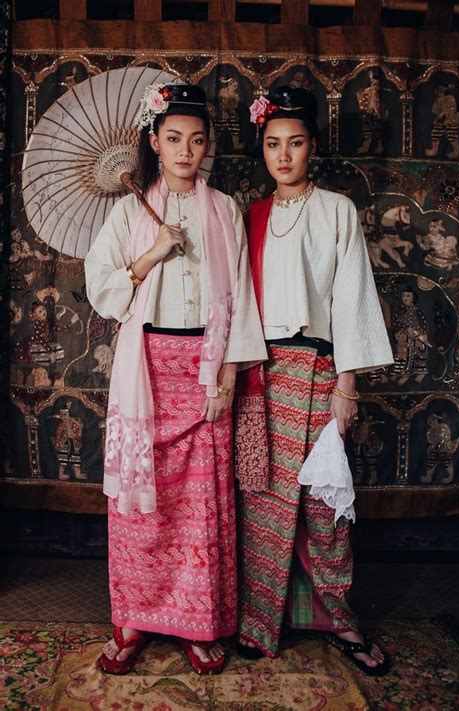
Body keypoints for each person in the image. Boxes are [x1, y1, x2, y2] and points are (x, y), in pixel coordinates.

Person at [85, 83, 266, 675]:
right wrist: (154, 251)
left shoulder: (225, 210)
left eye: (196, 139)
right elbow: (103, 289)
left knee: (200, 504)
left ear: (207, 145)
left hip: (205, 368)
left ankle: (199, 623)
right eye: (173, 139)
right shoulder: (129, 211)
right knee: (145, 504)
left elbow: (240, 297)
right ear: (153, 143)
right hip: (146, 372)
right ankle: (135, 619)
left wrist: (228, 379)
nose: (185, 150)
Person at [235, 86, 394, 676]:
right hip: (261, 371)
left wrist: (346, 386)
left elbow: (351, 298)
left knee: (325, 508)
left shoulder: (336, 210)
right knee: (265, 502)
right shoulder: (249, 215)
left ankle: (342, 621)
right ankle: (259, 622)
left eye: (295, 143)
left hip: (321, 368)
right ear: (263, 150)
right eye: (273, 144)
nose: (284, 155)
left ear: (313, 148)